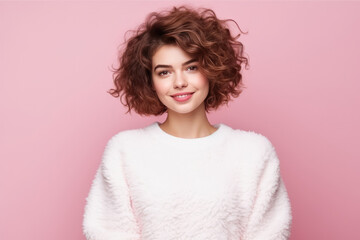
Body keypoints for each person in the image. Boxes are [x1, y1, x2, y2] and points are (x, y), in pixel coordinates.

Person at [82, 5, 292, 240]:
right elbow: (107, 232)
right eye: (164, 72)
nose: (179, 82)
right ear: (149, 81)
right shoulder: (124, 151)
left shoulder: (253, 153)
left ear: (212, 69)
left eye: (191, 67)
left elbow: (270, 234)